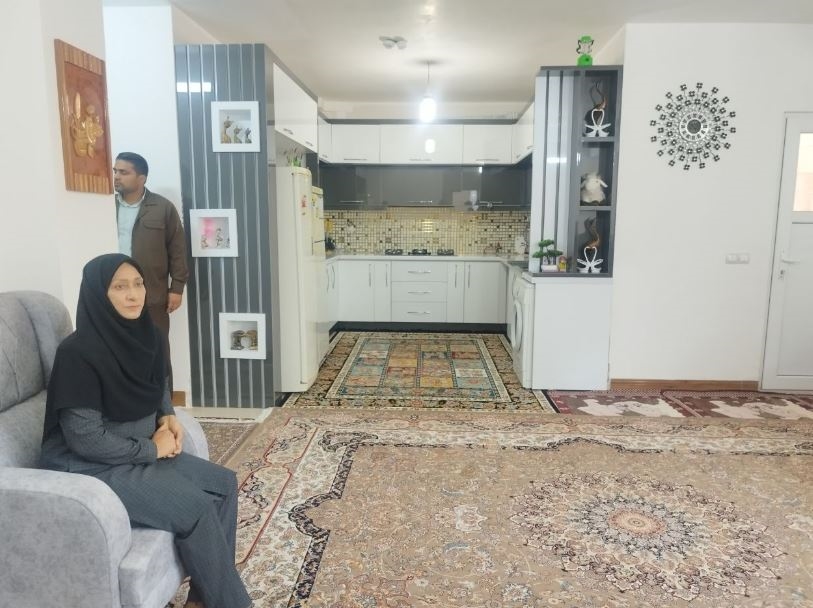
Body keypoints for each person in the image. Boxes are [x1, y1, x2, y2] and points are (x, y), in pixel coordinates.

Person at [40, 254, 251, 608]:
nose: (133, 294)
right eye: (120, 287)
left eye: (138, 284)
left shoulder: (148, 335)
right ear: (98, 294)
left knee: (224, 484)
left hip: (136, 449)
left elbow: (158, 385)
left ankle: (203, 598)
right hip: (92, 466)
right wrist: (153, 450)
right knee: (196, 507)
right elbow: (85, 439)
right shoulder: (77, 353)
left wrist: (167, 416)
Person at [114, 151, 188, 392]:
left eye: (123, 172)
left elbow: (178, 250)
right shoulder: (105, 206)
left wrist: (177, 288)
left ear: (141, 178)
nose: (116, 176)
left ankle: (164, 405)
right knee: (119, 351)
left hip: (153, 294)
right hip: (112, 294)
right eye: (115, 171)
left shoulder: (162, 208)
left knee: (157, 350)